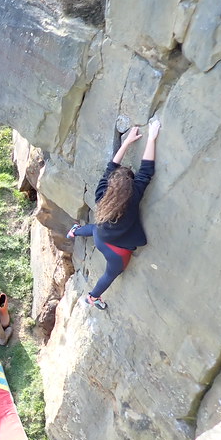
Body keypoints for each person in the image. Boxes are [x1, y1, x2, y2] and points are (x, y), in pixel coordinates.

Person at [67, 119, 161, 310]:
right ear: (130, 188)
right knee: (112, 273)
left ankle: (75, 231)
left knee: (95, 227)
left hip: (100, 236)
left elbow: (111, 166)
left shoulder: (102, 194)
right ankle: (93, 297)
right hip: (116, 250)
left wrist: (126, 142)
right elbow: (146, 171)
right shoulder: (133, 197)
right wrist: (151, 138)